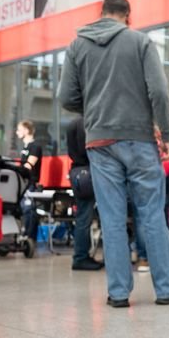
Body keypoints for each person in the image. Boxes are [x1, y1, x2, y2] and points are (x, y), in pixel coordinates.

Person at [57, 0, 169, 307]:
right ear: (128, 16)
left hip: (100, 143)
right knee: (152, 215)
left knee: (112, 218)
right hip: (139, 139)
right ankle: (167, 290)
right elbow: (157, 91)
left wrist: (92, 110)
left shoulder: (78, 45)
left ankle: (118, 294)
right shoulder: (139, 42)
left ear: (101, 14)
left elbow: (65, 97)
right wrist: (167, 133)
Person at [67, 114, 102, 271]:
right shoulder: (88, 122)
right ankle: (81, 257)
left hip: (77, 172)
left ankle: (80, 255)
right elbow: (89, 149)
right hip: (90, 171)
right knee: (88, 217)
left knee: (82, 216)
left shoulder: (73, 123)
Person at [16, 120, 43, 243]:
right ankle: (24, 234)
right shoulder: (25, 147)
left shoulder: (35, 147)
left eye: (19, 130)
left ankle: (30, 237)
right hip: (23, 183)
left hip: (30, 183)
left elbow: (29, 165)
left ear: (27, 131)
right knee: (23, 209)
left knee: (29, 209)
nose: (17, 133)